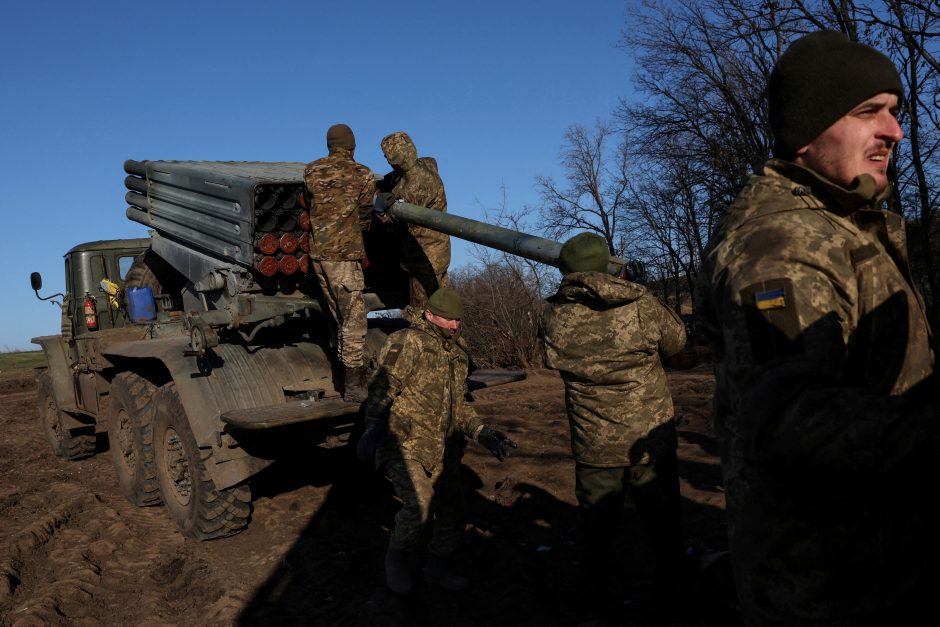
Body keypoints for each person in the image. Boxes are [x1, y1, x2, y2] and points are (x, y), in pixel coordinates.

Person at [696, 31, 938, 625]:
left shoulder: (839, 225)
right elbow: (789, 419)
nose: (895, 132)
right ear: (807, 130)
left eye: (895, 112)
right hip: (837, 587)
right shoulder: (781, 244)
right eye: (868, 113)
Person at [541, 233, 691, 624]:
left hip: (594, 446)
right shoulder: (639, 302)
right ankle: (678, 604)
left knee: (596, 534)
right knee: (665, 532)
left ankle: (593, 607)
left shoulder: (555, 315)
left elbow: (549, 358)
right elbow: (677, 343)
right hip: (650, 441)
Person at [356, 287, 517, 595]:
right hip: (406, 444)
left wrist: (483, 432)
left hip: (444, 449)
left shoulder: (456, 353)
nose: (454, 326)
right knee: (420, 507)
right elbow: (382, 388)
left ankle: (437, 566)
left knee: (454, 513)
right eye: (448, 320)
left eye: (458, 320)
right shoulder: (407, 342)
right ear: (429, 314)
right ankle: (397, 558)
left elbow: (460, 406)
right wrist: (373, 427)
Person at [303, 123, 376, 402]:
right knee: (355, 319)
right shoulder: (363, 174)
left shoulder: (311, 170)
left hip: (319, 256)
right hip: (345, 256)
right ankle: (355, 384)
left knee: (338, 315)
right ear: (352, 146)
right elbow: (366, 213)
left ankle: (342, 367)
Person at [374, 131, 451, 313]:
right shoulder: (423, 167)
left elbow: (395, 220)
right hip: (435, 252)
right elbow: (426, 163)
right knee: (442, 312)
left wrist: (378, 207)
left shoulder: (418, 184)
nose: (387, 161)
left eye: (389, 156)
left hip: (424, 257)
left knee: (423, 313)